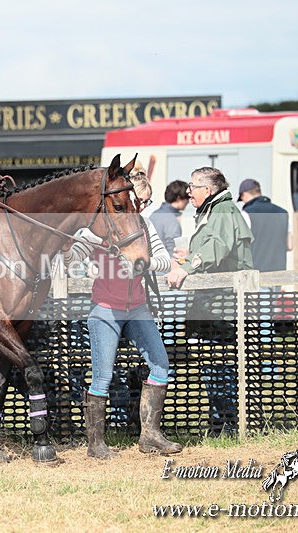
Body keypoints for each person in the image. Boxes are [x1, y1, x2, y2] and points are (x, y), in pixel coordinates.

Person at [67, 177, 182, 458]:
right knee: (102, 377)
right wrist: (81, 260)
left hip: (138, 308)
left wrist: (144, 263)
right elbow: (70, 260)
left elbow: (165, 261)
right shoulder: (96, 229)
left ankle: (150, 437)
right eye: (137, 201)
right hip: (105, 308)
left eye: (143, 202)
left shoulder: (145, 225)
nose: (139, 207)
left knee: (160, 365)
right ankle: (96, 444)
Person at [165, 167, 254, 436]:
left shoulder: (223, 211)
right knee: (212, 366)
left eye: (193, 186)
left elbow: (217, 247)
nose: (188, 191)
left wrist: (187, 266)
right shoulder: (213, 211)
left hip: (225, 308)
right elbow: (214, 247)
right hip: (210, 306)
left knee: (223, 367)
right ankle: (219, 423)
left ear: (209, 190)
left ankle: (229, 425)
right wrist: (190, 252)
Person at [238, 179, 291, 273]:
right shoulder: (283, 213)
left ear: (244, 194)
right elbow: (290, 245)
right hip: (279, 274)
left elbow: (240, 246)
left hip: (257, 274)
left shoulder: (246, 213)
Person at [149, 180, 190, 259]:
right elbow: (173, 250)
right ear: (178, 198)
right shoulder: (171, 220)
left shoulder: (153, 215)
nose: (188, 202)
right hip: (166, 268)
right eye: (187, 198)